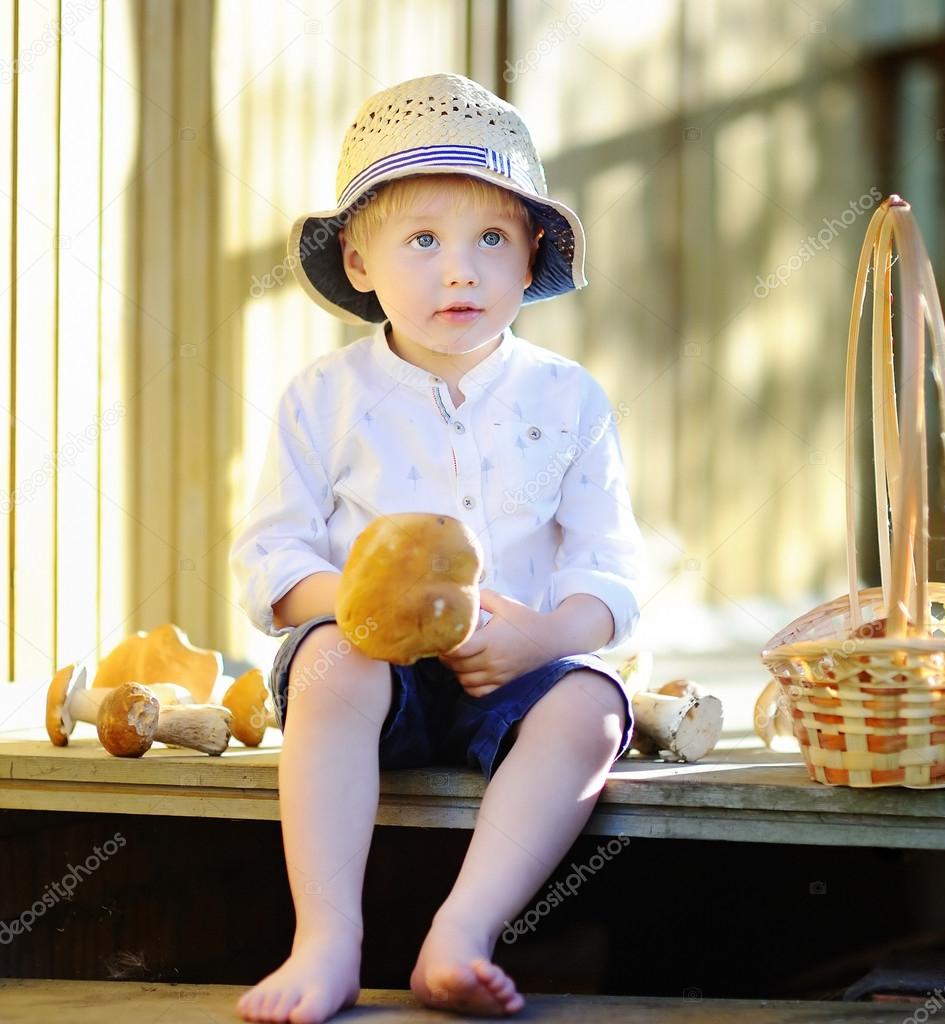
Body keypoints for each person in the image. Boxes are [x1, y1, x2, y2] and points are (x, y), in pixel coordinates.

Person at [229, 72, 647, 1023]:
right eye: (423, 240)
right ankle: (326, 935)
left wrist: (545, 639)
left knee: (591, 709)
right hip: (376, 671)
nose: (459, 271)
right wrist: (352, 605)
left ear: (531, 252)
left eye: (490, 240)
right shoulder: (324, 398)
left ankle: (463, 929)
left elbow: (610, 570)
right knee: (330, 664)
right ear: (361, 259)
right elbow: (271, 558)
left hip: (514, 670)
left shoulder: (567, 397)